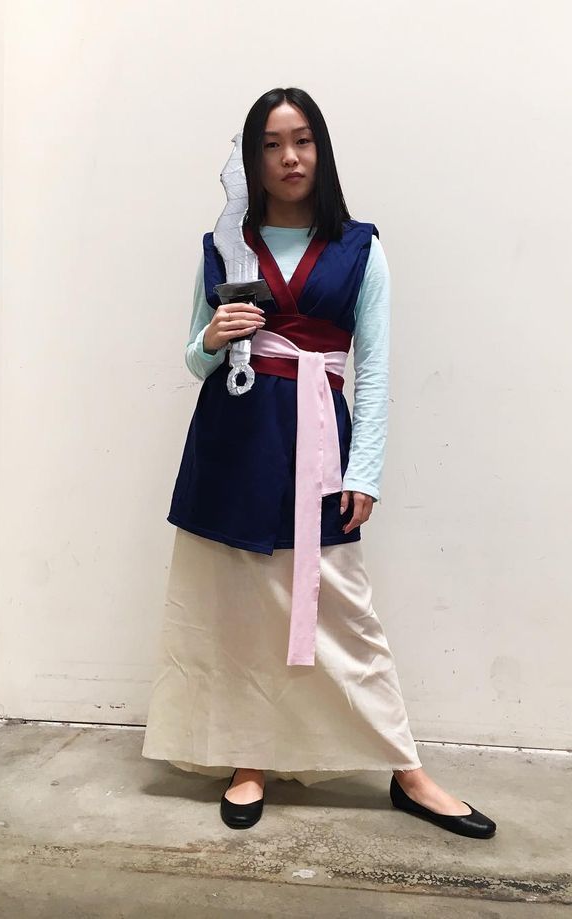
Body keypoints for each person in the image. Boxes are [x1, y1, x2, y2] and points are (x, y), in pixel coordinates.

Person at [141, 87, 496, 839]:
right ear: (251, 157)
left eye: (300, 140)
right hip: (232, 445)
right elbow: (191, 355)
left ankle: (406, 768)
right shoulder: (221, 246)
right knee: (239, 615)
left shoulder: (360, 247)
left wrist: (363, 472)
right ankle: (249, 756)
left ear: (321, 148)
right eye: (270, 144)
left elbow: (375, 368)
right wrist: (214, 338)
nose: (288, 157)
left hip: (316, 445)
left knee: (344, 616)